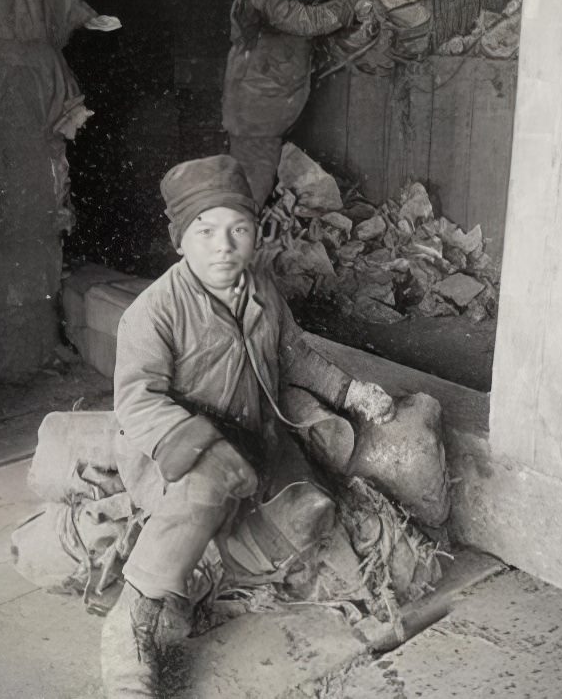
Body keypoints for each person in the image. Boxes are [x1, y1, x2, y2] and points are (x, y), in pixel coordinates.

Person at [100, 155, 395, 697]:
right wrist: (206, 451)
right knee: (203, 492)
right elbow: (137, 402)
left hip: (253, 436)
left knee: (308, 517)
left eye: (239, 229)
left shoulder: (260, 288)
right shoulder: (154, 311)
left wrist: (348, 391)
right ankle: (132, 619)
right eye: (205, 230)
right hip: (175, 450)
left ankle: (209, 569)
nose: (223, 245)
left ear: (256, 235)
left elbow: (295, 356)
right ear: (179, 240)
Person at [222, 0, 369, 206]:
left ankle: (249, 224)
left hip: (267, 97)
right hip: (256, 103)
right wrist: (348, 3)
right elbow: (302, 21)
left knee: (255, 168)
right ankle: (244, 231)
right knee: (255, 174)